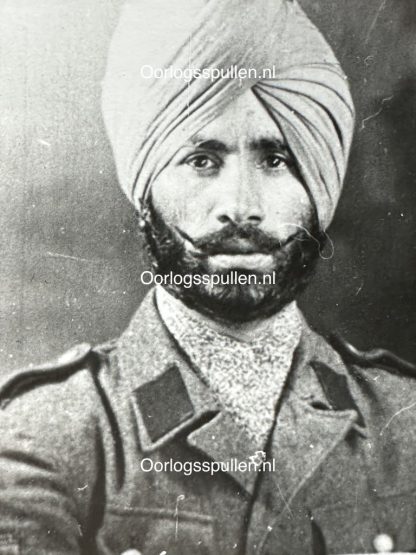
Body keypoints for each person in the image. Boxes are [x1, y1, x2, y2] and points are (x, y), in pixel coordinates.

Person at [0, 0, 415, 553]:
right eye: (202, 160)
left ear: (322, 182)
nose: (240, 207)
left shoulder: (403, 422)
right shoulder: (52, 432)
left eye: (277, 159)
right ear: (145, 191)